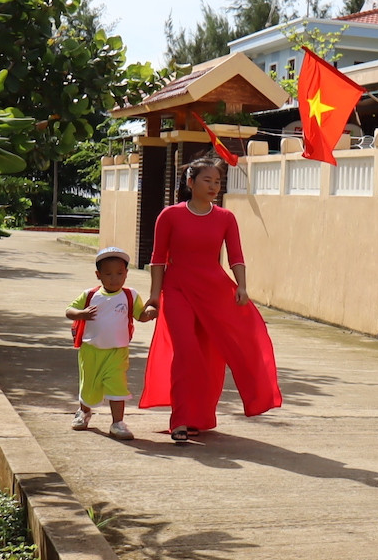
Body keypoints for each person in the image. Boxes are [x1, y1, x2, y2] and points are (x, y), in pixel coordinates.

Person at [140, 156, 282, 442]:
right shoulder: (169, 215)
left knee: (210, 356)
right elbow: (158, 260)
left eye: (217, 181)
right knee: (186, 351)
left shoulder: (225, 218)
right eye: (207, 180)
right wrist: (155, 297)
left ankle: (200, 417)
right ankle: (179, 420)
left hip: (215, 292)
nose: (214, 186)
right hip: (178, 289)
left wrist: (242, 286)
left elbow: (236, 256)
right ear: (190, 182)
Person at [67, 246, 157, 439]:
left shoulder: (130, 295)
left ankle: (118, 423)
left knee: (117, 386)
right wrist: (81, 314)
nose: (114, 278)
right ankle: (84, 412)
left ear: (126, 273)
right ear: (98, 275)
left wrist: (150, 313)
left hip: (118, 352)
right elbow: (69, 310)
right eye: (108, 274)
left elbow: (140, 315)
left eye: (119, 273)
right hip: (90, 351)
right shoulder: (90, 295)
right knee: (88, 385)